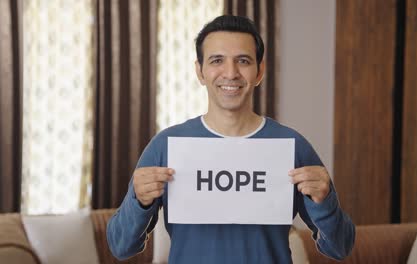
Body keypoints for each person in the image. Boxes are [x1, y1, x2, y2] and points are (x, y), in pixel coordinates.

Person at [107, 15, 355, 263]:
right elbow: (121, 246)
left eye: (243, 61)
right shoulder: (167, 145)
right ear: (200, 71)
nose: (231, 73)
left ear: (259, 71)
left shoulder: (292, 146)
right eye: (217, 60)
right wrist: (137, 202)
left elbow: (340, 247)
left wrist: (325, 203)